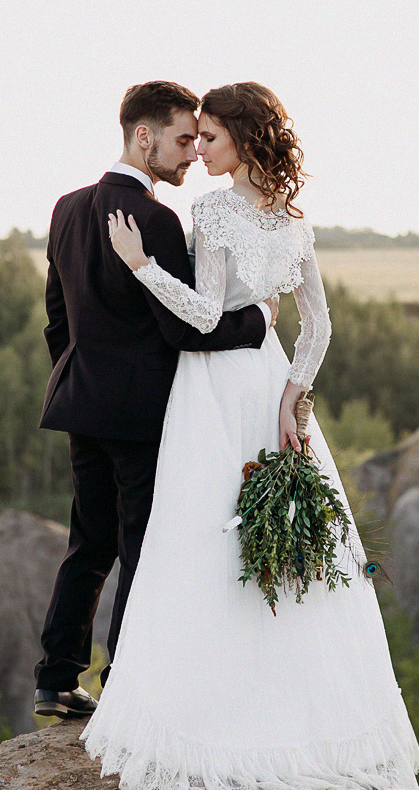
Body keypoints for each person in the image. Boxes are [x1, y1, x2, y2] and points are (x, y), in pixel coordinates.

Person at [82, 81, 419, 790]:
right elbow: (318, 327)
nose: (199, 150)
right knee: (286, 551)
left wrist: (142, 266)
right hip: (267, 385)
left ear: (242, 138)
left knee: (198, 538)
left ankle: (210, 719)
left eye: (209, 137)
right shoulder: (294, 221)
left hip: (213, 389)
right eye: (195, 138)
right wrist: (293, 398)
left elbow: (205, 317)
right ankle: (289, 715)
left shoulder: (212, 211)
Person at [34, 81, 276, 720]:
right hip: (144, 413)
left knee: (89, 541)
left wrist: (81, 376)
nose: (192, 153)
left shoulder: (66, 209)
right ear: (144, 137)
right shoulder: (158, 220)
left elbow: (57, 319)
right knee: (143, 544)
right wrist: (257, 321)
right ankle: (125, 681)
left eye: (199, 141)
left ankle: (55, 678)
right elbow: (185, 328)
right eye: (182, 139)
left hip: (81, 404)